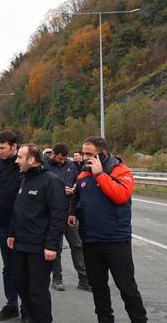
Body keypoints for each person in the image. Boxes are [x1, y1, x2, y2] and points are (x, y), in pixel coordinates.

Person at [68, 137, 148, 323]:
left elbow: (120, 196)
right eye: (83, 153)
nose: (84, 157)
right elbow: (78, 196)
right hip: (90, 240)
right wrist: (73, 211)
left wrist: (100, 175)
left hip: (115, 240)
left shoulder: (121, 171)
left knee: (127, 287)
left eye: (89, 154)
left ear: (102, 154)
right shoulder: (83, 174)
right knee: (98, 287)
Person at [7, 144, 67, 323]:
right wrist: (12, 233)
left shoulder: (51, 181)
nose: (16, 161)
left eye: (19, 157)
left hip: (40, 247)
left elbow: (58, 215)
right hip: (21, 243)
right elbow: (18, 210)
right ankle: (33, 315)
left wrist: (51, 246)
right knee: (18, 281)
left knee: (37, 290)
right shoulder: (24, 179)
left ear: (31, 160)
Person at [0, 131, 26, 321]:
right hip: (4, 223)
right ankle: (12, 304)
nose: (0, 152)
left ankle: (27, 306)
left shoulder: (25, 162)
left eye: (3, 148)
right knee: (8, 266)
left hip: (25, 224)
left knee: (25, 266)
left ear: (14, 146)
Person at [43, 143, 89, 292]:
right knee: (56, 247)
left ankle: (83, 278)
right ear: (53, 154)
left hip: (69, 211)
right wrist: (59, 190)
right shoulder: (44, 166)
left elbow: (78, 180)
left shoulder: (70, 165)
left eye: (64, 158)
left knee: (77, 245)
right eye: (60, 158)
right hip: (52, 213)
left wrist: (75, 188)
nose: (62, 161)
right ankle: (57, 278)